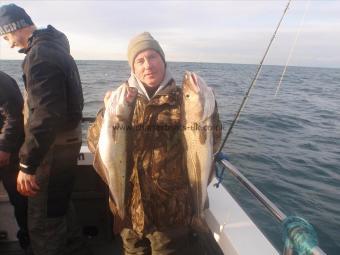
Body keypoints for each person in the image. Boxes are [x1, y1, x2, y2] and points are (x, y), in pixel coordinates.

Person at [89, 32, 223, 255]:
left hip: (171, 214)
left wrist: (210, 108)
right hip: (129, 211)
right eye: (139, 61)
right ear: (132, 68)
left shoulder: (183, 99)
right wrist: (106, 114)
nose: (147, 65)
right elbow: (95, 144)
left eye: (152, 57)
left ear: (163, 60)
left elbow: (212, 140)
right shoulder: (122, 100)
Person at [0, 4, 90, 255]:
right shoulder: (56, 47)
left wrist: (27, 164)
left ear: (16, 27)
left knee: (43, 225)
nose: (7, 44)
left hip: (50, 152)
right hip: (66, 145)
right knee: (59, 207)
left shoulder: (38, 55)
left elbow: (46, 114)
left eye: (6, 37)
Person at [0, 71, 31, 253]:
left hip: (8, 154)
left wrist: (4, 148)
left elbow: (14, 116)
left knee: (21, 202)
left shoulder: (2, 80)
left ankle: (28, 242)